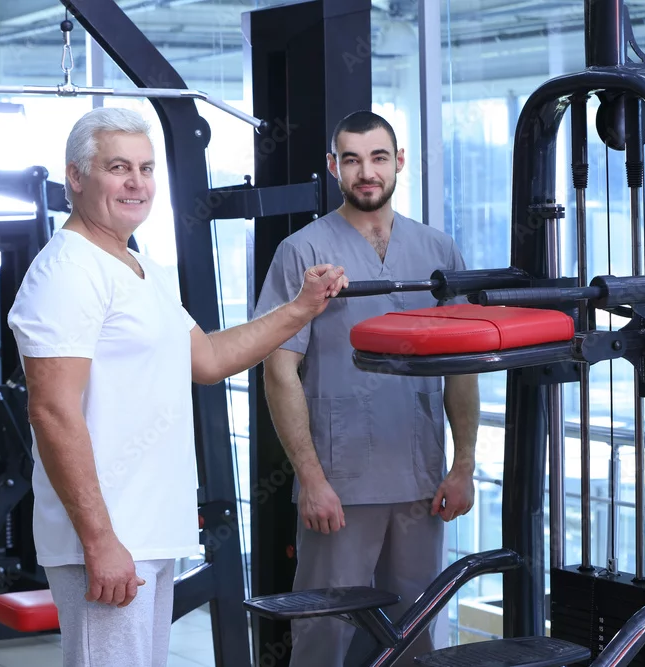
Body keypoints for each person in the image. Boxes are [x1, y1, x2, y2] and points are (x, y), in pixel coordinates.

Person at [6, 106, 351, 667]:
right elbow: (52, 412)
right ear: (75, 176)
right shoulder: (68, 271)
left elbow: (209, 359)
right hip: (110, 536)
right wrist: (99, 539)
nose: (137, 182)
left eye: (145, 168)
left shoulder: (140, 268)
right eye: (118, 167)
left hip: (148, 533)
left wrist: (301, 308)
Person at [254, 110, 481, 667]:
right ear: (334, 167)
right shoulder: (302, 252)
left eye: (378, 157)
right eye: (352, 160)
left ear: (398, 161)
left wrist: (463, 466)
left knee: (417, 632)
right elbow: (278, 371)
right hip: (340, 484)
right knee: (323, 635)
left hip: (422, 481)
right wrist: (311, 480)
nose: (366, 172)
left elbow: (462, 367)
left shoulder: (438, 251)